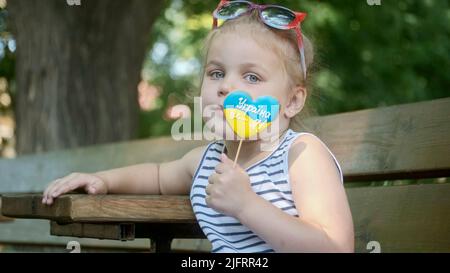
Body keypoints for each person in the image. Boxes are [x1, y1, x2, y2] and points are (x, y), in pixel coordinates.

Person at [42, 0, 354, 253]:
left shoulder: (300, 155)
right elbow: (158, 176)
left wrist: (248, 206)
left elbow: (337, 248)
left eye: (252, 77)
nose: (227, 87)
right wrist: (101, 180)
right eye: (217, 73)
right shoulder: (206, 161)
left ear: (293, 101)